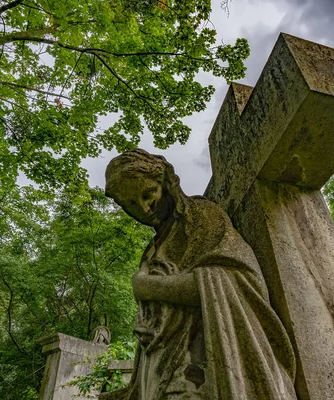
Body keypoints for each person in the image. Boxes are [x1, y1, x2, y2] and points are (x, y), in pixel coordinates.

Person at [102, 149, 297, 400]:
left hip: (197, 365)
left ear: (166, 183)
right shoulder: (152, 248)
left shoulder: (201, 217)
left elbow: (236, 280)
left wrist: (147, 287)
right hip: (157, 367)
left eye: (149, 194)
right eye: (130, 204)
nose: (143, 207)